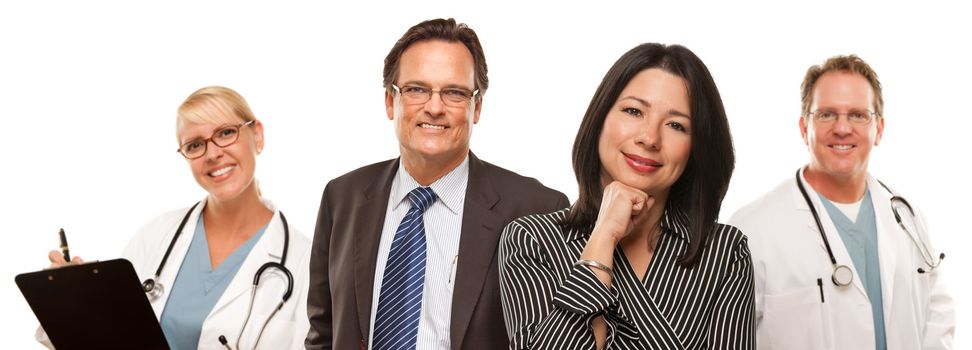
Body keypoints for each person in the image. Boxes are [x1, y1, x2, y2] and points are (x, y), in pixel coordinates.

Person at [304, 18, 568, 350]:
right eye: (416, 89)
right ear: (390, 101)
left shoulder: (537, 210)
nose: (434, 107)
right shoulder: (342, 197)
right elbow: (323, 331)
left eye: (454, 93)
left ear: (477, 107)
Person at [500, 43, 754, 350]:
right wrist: (604, 236)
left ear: (696, 147)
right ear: (600, 119)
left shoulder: (724, 252)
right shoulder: (532, 240)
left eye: (676, 125)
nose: (649, 138)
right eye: (633, 111)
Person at [43, 86, 311, 350]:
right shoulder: (157, 235)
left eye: (226, 133)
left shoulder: (304, 261)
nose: (213, 153)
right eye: (195, 145)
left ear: (258, 135)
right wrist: (73, 299)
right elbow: (108, 337)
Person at [728, 55, 954, 349]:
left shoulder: (906, 216)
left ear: (879, 130)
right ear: (803, 128)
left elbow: (938, 311)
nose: (843, 128)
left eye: (858, 115)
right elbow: (729, 337)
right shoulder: (751, 229)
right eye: (826, 114)